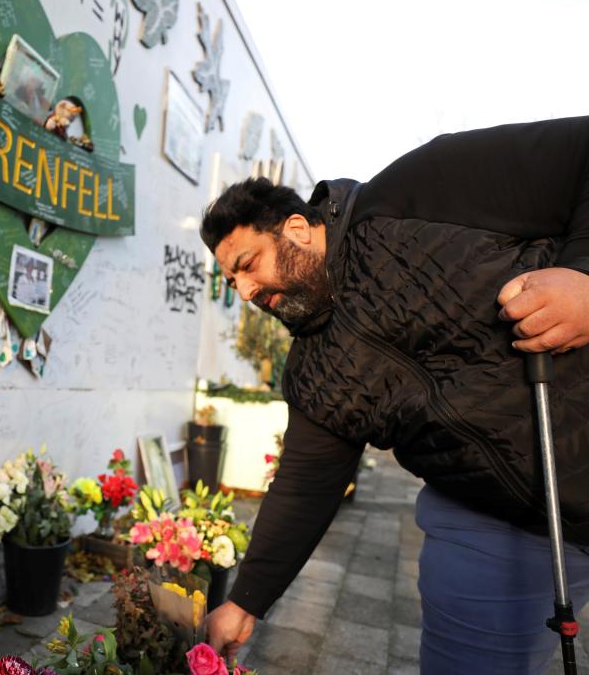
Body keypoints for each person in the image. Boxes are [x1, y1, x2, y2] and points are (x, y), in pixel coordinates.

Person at [200, 117, 589, 673]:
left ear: (297, 227)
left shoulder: (421, 189)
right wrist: (244, 602)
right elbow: (306, 485)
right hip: (495, 532)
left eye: (247, 265)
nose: (245, 291)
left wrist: (584, 280)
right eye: (232, 283)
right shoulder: (313, 370)